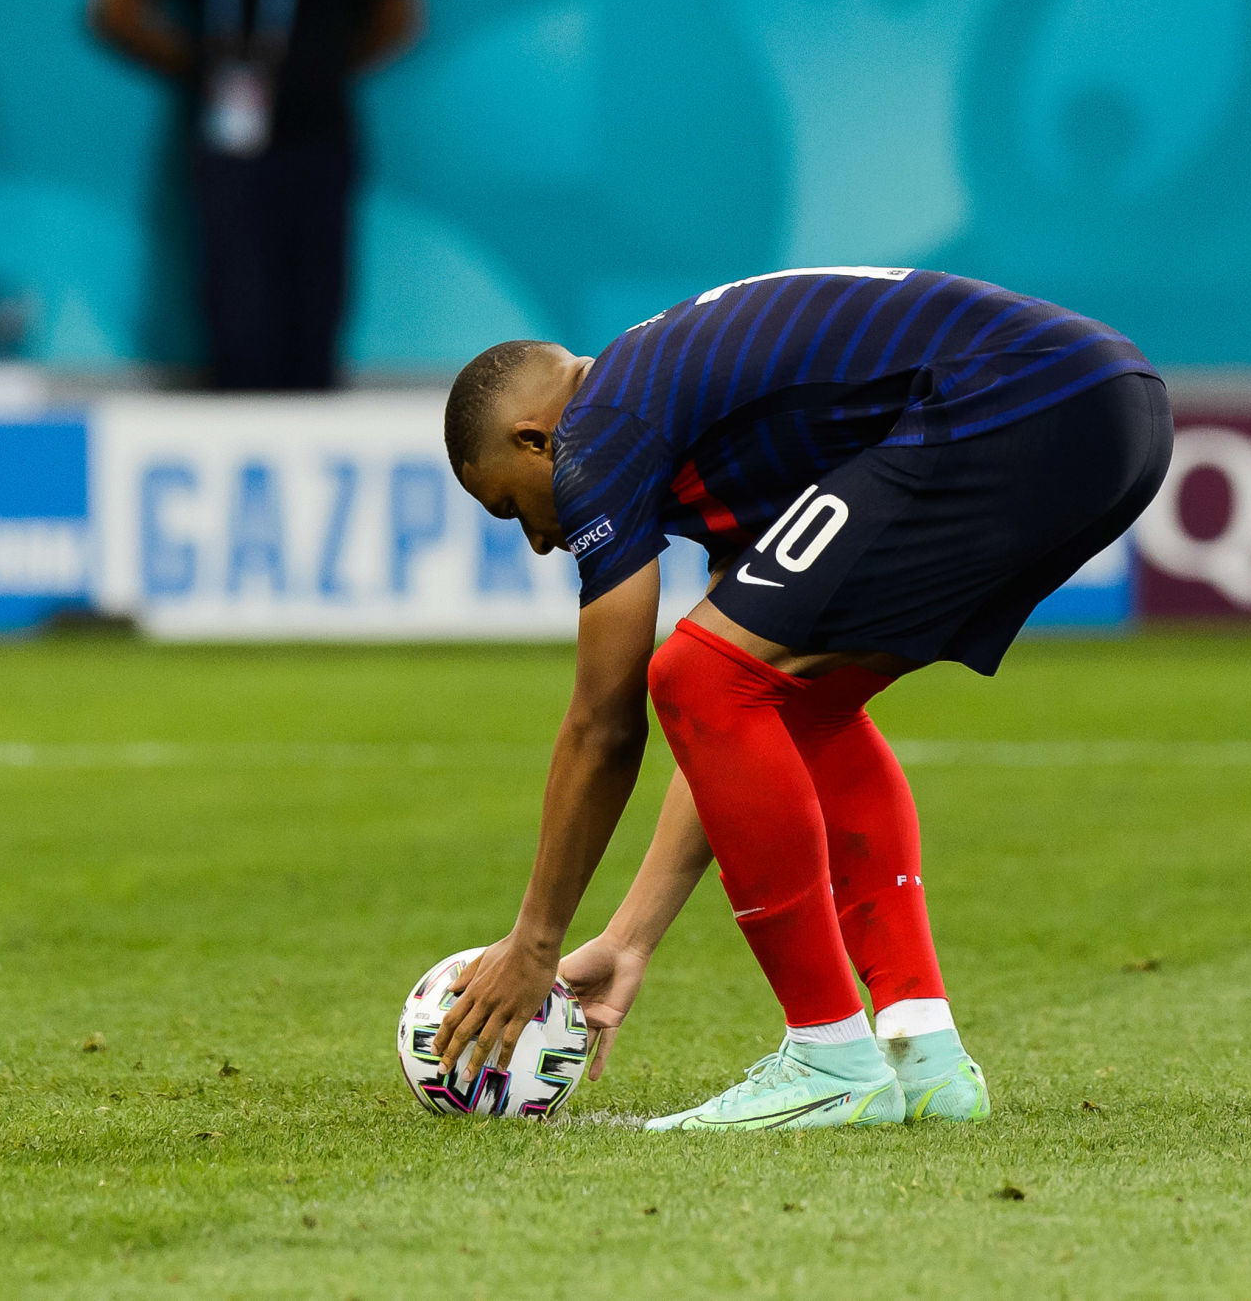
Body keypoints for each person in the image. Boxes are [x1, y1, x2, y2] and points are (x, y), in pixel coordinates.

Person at [431, 267, 1172, 1131]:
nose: (538, 538)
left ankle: (828, 1055)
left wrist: (534, 942)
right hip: (1114, 408)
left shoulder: (599, 427)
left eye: (510, 508)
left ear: (533, 442)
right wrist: (629, 936)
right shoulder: (693, 423)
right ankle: (921, 1051)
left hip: (1020, 399)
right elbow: (737, 718)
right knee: (784, 695)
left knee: (694, 672)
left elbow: (606, 722)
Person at [89, 0, 420, 393]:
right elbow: (115, 11)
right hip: (228, 136)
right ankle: (237, 437)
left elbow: (401, 14)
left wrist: (321, 66)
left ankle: (308, 438)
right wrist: (200, 68)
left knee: (316, 316)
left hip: (317, 137)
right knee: (238, 321)